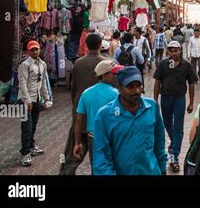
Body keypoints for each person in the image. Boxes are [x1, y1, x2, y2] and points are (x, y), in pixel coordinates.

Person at [93, 66, 167, 175]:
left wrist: (163, 169)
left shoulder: (152, 108)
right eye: (130, 87)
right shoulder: (104, 115)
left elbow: (159, 145)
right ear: (118, 87)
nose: (136, 91)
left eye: (139, 85)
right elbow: (101, 156)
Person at [60, 33, 106, 174]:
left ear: (86, 45)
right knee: (99, 157)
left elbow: (73, 89)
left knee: (72, 153)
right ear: (100, 45)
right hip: (100, 115)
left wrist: (75, 107)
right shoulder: (108, 63)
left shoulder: (78, 63)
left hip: (81, 112)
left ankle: (66, 172)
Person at [153, 41, 197, 173]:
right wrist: (155, 100)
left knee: (178, 127)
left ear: (180, 51)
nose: (173, 53)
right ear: (168, 52)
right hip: (165, 98)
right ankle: (174, 144)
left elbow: (191, 83)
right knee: (167, 124)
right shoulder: (163, 65)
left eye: (176, 50)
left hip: (179, 99)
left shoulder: (186, 66)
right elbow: (157, 82)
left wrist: (191, 102)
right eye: (171, 51)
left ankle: (174, 157)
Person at [73, 60, 122, 172]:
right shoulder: (116, 94)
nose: (116, 76)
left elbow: (79, 120)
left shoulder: (86, 93)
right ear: (105, 76)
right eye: (113, 74)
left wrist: (77, 143)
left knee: (96, 168)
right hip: (113, 138)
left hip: (93, 139)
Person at [18, 40, 51, 166]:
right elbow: (22, 84)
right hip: (26, 100)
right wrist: (27, 101)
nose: (35, 51)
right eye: (32, 50)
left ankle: (31, 146)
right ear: (28, 51)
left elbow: (43, 83)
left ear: (40, 49)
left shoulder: (42, 64)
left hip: (37, 99)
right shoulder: (25, 65)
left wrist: (46, 98)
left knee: (33, 125)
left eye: (36, 49)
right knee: (26, 127)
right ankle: (25, 153)